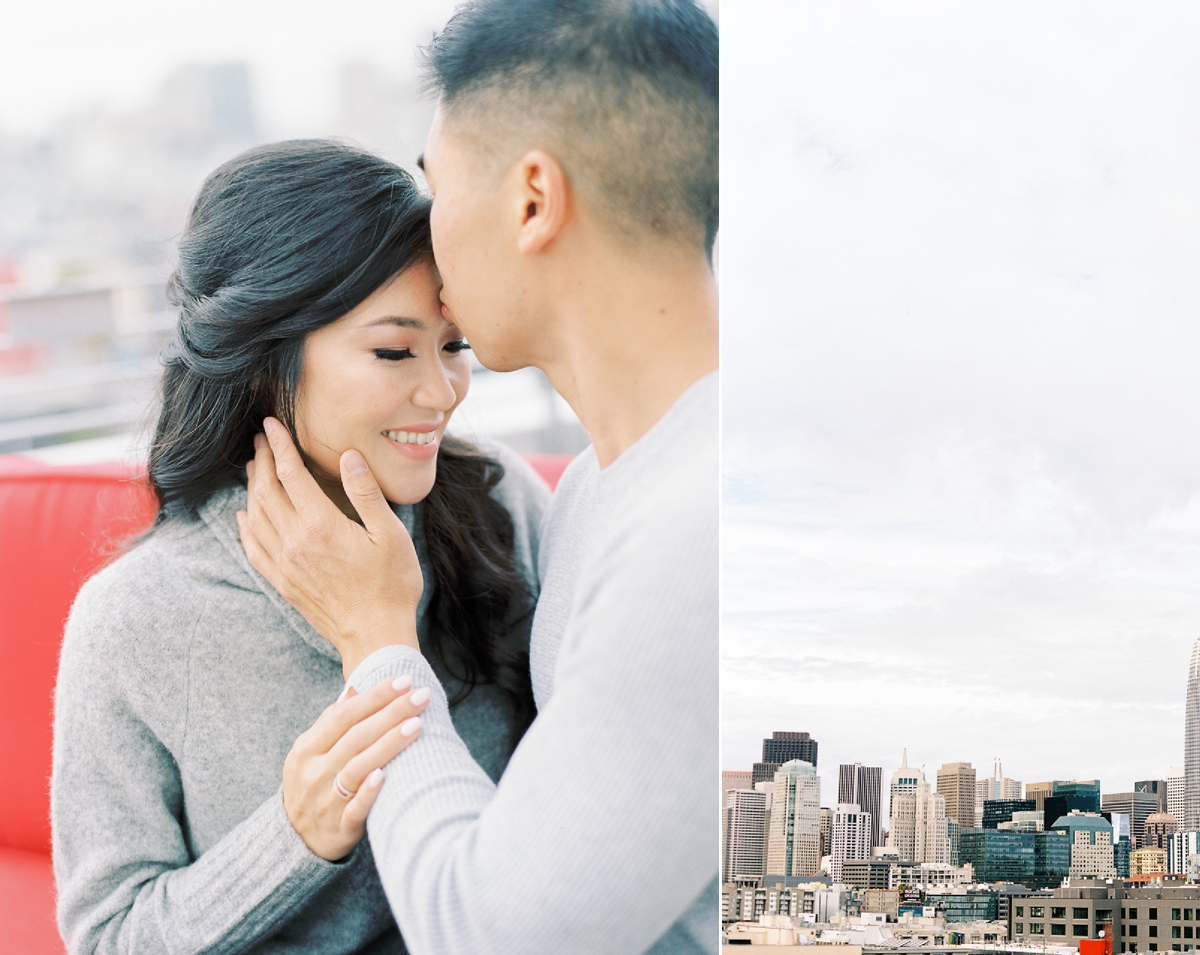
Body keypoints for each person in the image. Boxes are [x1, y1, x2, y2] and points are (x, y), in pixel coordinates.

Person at [238, 0, 720, 952]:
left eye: (437, 186)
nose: (428, 239)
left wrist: (376, 637)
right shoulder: (597, 489)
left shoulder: (696, 533)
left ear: (532, 199)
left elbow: (489, 936)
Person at [51, 140, 551, 954]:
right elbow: (108, 936)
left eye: (453, 345)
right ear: (263, 356)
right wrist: (294, 833)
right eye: (394, 350)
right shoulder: (134, 618)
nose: (442, 391)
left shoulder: (503, 503)